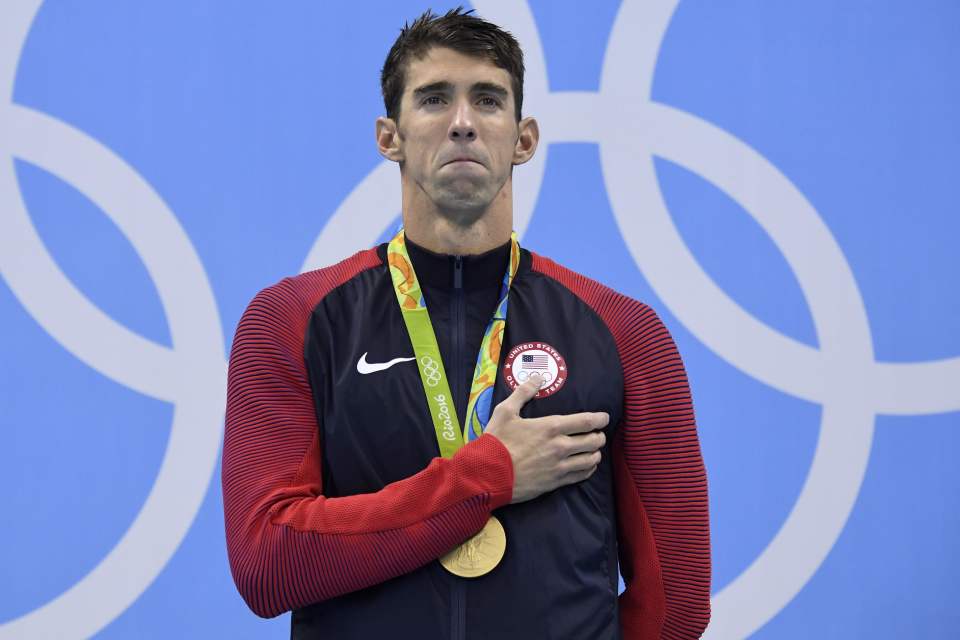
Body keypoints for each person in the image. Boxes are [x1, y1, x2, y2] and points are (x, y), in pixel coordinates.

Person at [222, 7, 710, 639]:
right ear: (388, 136)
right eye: (433, 100)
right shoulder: (290, 321)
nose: (462, 124)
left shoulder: (624, 332)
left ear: (524, 137)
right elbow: (268, 561)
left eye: (487, 100)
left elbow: (679, 595)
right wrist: (489, 475)